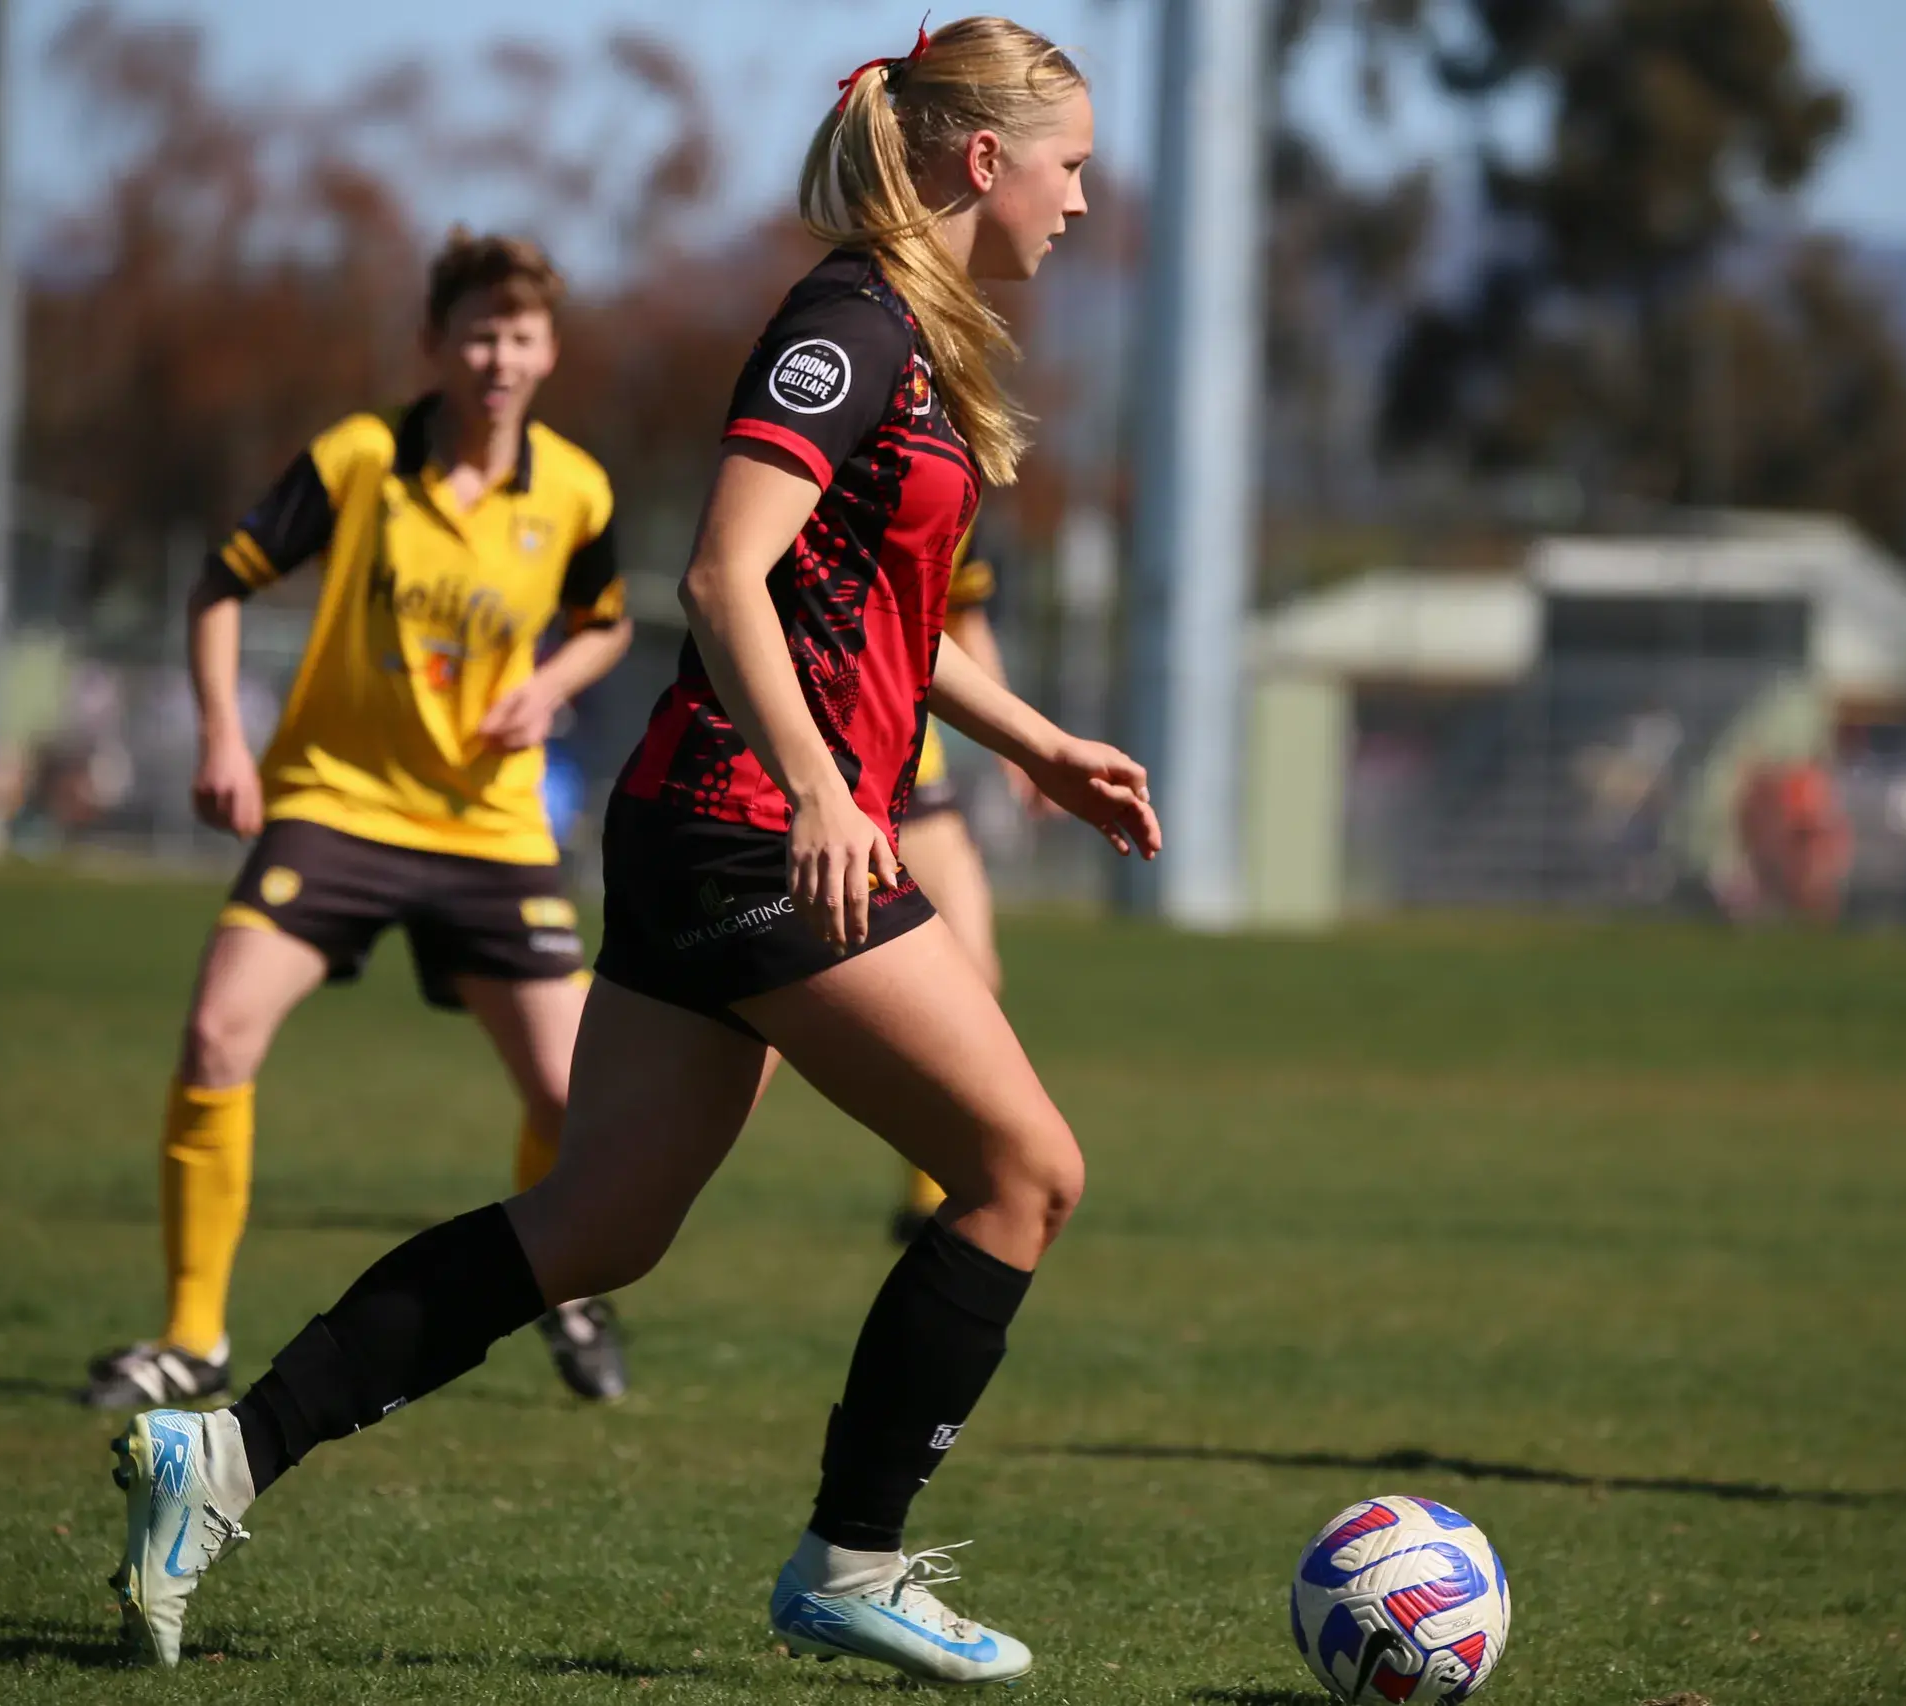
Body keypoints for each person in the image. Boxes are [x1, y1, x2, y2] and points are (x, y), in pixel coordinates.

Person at [105, 18, 1152, 1685]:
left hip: (711, 824)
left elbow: (864, 609)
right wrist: (820, 789)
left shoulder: (907, 332)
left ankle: (221, 1458)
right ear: (982, 161)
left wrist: (1037, 744)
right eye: (1072, 163)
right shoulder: (848, 322)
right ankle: (853, 1560)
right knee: (1027, 1175)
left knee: (594, 1226)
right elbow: (726, 574)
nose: (1084, 200)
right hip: (751, 827)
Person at [79, 230, 639, 1413]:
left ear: (549, 350)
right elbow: (221, 581)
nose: (499, 355)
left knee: (574, 1094)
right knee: (218, 1036)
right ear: (435, 344)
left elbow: (608, 618)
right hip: (336, 802)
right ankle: (191, 1337)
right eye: (477, 330)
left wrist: (550, 682)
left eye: (522, 333)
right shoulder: (361, 457)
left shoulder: (576, 487)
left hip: (490, 826)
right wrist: (225, 737)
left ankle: (567, 1287)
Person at [890, 526, 1036, 1241]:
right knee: (752, 1025)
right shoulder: (822, 432)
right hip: (799, 766)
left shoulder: (958, 468)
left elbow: (958, 620)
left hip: (913, 768)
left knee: (972, 977)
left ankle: (931, 1198)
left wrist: (1026, 747)